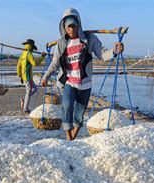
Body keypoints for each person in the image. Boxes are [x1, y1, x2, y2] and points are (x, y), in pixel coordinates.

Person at [41, 8, 124, 140]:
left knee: (79, 113)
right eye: (69, 27)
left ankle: (73, 137)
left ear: (79, 24)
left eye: (74, 26)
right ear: (64, 27)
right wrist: (45, 77)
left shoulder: (89, 39)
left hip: (85, 84)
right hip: (69, 82)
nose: (72, 30)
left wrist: (114, 50)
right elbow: (55, 63)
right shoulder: (61, 43)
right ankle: (68, 137)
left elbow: (102, 54)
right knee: (67, 106)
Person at [16, 39, 46, 113]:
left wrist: (20, 76)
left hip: (25, 77)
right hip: (28, 77)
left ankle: (24, 99)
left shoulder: (23, 54)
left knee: (34, 89)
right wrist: (42, 57)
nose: (33, 50)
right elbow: (35, 63)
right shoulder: (28, 54)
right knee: (29, 92)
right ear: (31, 46)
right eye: (32, 48)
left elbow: (18, 67)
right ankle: (25, 109)